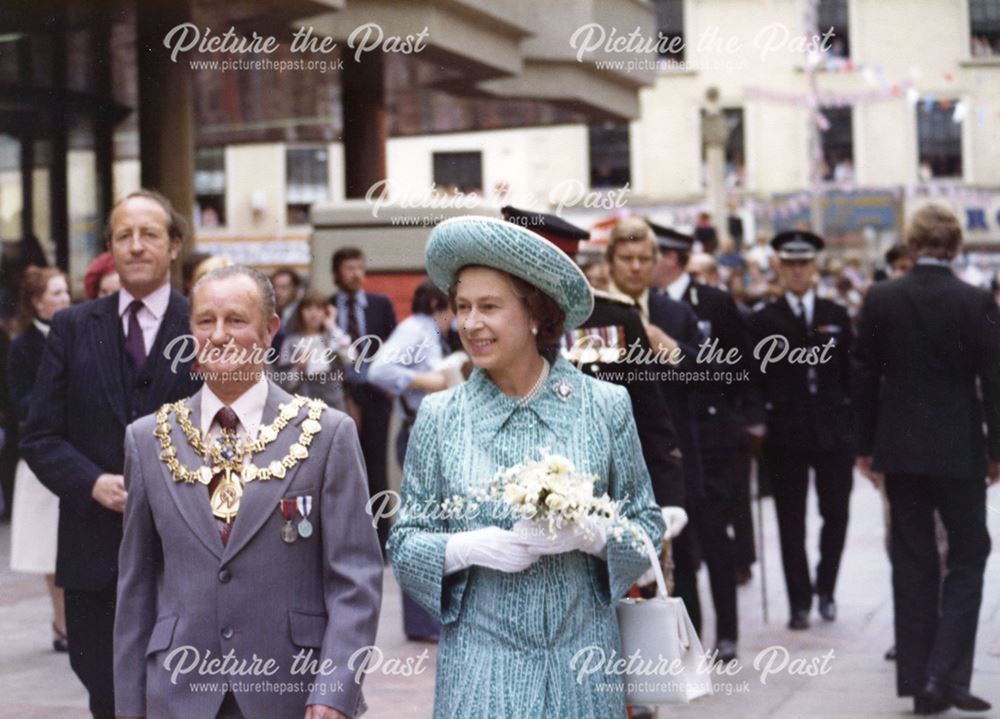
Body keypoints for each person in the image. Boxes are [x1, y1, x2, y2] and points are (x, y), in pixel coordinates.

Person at [388, 216, 665, 718]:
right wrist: (465, 547)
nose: (471, 323)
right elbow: (404, 544)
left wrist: (593, 536)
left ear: (536, 312)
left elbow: (647, 524)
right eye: (463, 307)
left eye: (490, 307)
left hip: (584, 672)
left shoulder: (603, 405)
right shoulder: (442, 417)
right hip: (480, 674)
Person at [114, 265, 383, 719]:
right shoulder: (147, 440)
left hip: (292, 692)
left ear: (269, 330)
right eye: (205, 321)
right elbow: (136, 588)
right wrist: (128, 707)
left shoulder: (326, 434)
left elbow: (354, 580)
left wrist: (335, 690)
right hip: (180, 692)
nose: (219, 335)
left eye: (236, 320)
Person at [21, 190, 202, 719]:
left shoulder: (203, 324)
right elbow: (40, 436)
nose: (136, 246)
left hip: (186, 551)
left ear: (173, 246)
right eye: (124, 235)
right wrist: (91, 483)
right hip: (92, 552)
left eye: (149, 234)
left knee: (184, 692)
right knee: (106, 690)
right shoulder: (73, 327)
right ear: (110, 249)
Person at [854, 204, 999, 715]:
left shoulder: (882, 297)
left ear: (912, 244)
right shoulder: (976, 299)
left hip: (901, 447)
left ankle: (922, 683)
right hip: (960, 449)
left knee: (912, 562)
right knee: (969, 552)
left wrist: (865, 446)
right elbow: (993, 382)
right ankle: (946, 671)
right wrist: (997, 450)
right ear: (957, 245)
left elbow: (865, 376)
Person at [649, 221, 753, 662]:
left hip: (710, 438)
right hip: (670, 440)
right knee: (682, 546)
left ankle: (727, 634)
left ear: (669, 259)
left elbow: (734, 368)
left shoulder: (711, 301)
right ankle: (689, 636)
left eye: (650, 256)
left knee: (716, 540)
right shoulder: (643, 309)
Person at [747, 231, 854, 631]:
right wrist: (757, 418)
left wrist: (854, 425)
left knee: (837, 514)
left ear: (815, 268)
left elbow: (851, 374)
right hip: (785, 434)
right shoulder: (763, 319)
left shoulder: (836, 315)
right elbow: (753, 377)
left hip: (833, 433)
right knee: (791, 520)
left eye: (804, 264)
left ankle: (826, 588)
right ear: (779, 267)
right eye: (789, 264)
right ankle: (799, 601)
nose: (797, 272)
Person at [606, 216, 708, 636]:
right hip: (617, 457)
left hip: (671, 454)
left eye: (644, 259)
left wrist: (674, 351)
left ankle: (686, 646)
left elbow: (714, 375)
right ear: (610, 261)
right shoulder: (595, 311)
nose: (635, 267)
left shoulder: (675, 312)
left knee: (680, 558)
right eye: (626, 258)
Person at [368, 278, 456, 643]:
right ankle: (422, 621)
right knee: (425, 526)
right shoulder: (416, 330)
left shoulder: (428, 332)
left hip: (431, 432)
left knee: (436, 524)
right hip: (420, 431)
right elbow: (378, 370)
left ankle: (430, 618)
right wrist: (426, 380)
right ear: (441, 305)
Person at [7, 266, 71, 652]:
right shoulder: (23, 346)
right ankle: (61, 623)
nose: (65, 299)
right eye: (57, 293)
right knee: (48, 547)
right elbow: (21, 402)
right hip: (40, 458)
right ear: (37, 302)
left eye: (66, 292)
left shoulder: (78, 333)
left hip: (77, 453)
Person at [329, 246, 397, 551]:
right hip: (337, 394)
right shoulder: (326, 307)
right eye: (349, 269)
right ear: (336, 274)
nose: (356, 274)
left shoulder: (380, 304)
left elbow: (395, 347)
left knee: (376, 467)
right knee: (340, 467)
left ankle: (382, 541)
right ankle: (347, 540)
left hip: (375, 397)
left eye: (360, 267)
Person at [276, 289, 354, 412]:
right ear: (300, 312)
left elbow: (350, 357)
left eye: (319, 309)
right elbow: (283, 384)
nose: (313, 314)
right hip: (304, 404)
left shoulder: (331, 336)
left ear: (326, 312)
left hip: (333, 401)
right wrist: (298, 368)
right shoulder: (291, 342)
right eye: (308, 309)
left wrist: (331, 325)